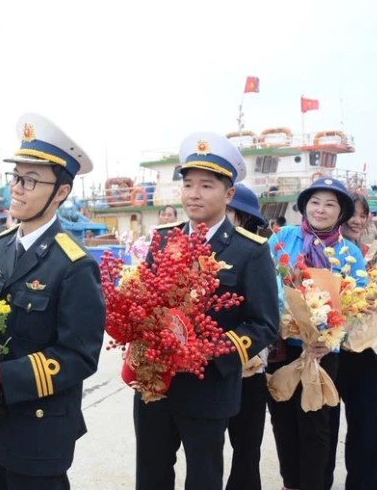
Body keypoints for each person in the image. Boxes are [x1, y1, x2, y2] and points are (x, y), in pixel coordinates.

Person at [0, 113, 106, 490]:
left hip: (39, 430)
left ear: (62, 192)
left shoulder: (74, 265)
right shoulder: (3, 246)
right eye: (16, 177)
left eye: (31, 180)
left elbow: (80, 355)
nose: (17, 189)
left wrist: (5, 375)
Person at [135, 132, 279, 490]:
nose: (194, 193)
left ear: (229, 194)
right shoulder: (163, 239)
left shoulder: (250, 250)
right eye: (187, 184)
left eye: (206, 185)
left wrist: (210, 350)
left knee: (203, 476)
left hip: (209, 385)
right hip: (156, 383)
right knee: (151, 474)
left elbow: (263, 324)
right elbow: (146, 304)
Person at [266, 177, 367, 490]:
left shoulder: (349, 253)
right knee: (282, 421)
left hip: (323, 353)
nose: (320, 209)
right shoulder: (282, 239)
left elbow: (358, 305)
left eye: (330, 204)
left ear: (340, 212)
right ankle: (290, 484)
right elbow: (266, 286)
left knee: (316, 426)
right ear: (304, 206)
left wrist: (331, 337)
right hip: (282, 348)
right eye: (314, 202)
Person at [325, 192, 377, 490]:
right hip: (327, 350)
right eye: (352, 212)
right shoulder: (323, 251)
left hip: (364, 350)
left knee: (370, 432)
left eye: (363, 214)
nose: (357, 220)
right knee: (322, 433)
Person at [224, 183, 270, 490]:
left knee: (246, 448)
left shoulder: (258, 254)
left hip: (249, 367)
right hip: (209, 368)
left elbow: (269, 314)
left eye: (229, 213)